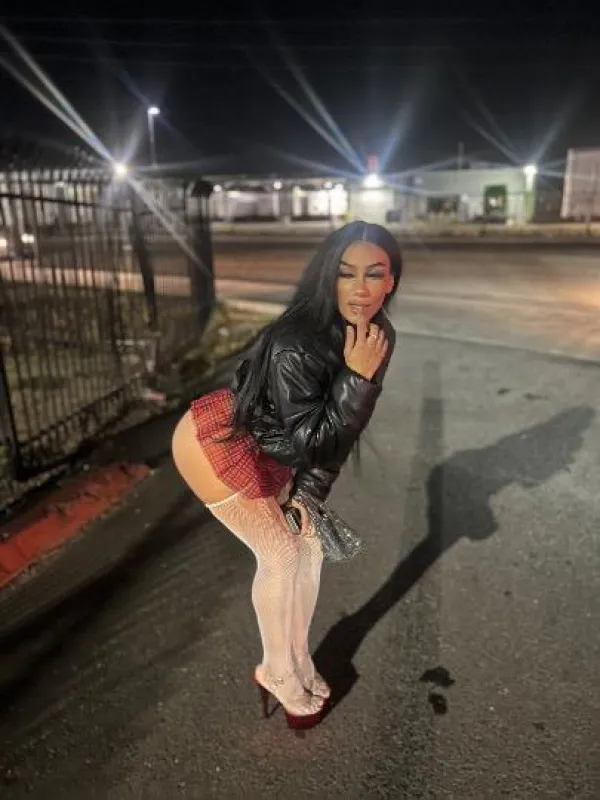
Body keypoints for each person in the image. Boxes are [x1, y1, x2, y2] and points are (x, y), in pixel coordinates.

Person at [171, 220, 402, 730]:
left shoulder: (375, 336)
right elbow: (315, 440)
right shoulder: (296, 342)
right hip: (218, 440)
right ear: (328, 276)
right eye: (345, 273)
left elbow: (343, 431)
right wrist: (358, 378)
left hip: (276, 449)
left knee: (310, 543)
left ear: (390, 281)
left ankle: (296, 658)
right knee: (280, 554)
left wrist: (308, 497)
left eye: (374, 274)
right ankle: (275, 671)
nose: (359, 289)